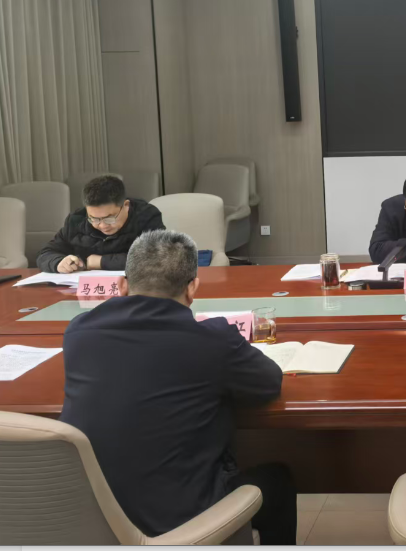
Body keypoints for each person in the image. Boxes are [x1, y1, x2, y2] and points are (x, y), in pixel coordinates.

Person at [60, 230, 295, 544]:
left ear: (122, 285)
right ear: (192, 288)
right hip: (183, 522)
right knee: (277, 480)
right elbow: (268, 383)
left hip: (96, 517)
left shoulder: (78, 333)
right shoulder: (212, 341)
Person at [37, 174, 165, 273]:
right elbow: (46, 253)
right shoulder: (77, 220)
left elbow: (157, 257)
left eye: (109, 218)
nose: (103, 226)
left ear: (126, 206)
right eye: (94, 219)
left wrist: (100, 262)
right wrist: (58, 262)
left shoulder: (147, 216)